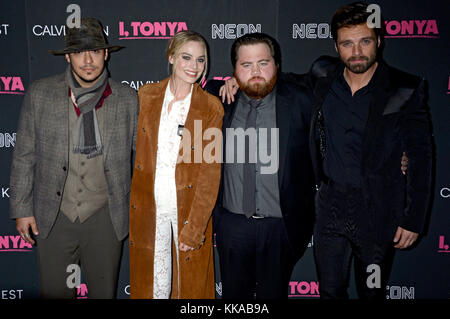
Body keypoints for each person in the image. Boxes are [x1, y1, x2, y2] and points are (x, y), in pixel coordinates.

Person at [308, 2, 433, 299]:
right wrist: (240, 80)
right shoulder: (322, 75)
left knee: (372, 293)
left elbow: (421, 155)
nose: (357, 52)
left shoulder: (404, 88)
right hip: (330, 210)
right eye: (347, 44)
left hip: (377, 212)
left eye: (365, 41)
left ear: (379, 41)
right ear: (337, 47)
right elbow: (284, 84)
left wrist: (413, 218)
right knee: (329, 291)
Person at [9, 18, 139, 298]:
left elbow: (146, 154)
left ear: (106, 53)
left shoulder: (128, 99)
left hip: (106, 217)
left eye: (95, 51)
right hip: (53, 215)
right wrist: (21, 208)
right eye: (79, 52)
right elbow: (24, 154)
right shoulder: (40, 94)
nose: (88, 60)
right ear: (68, 56)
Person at [205, 33, 315, 299]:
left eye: (263, 63)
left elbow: (331, 70)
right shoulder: (217, 100)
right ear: (234, 70)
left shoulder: (301, 101)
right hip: (232, 226)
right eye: (246, 65)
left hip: (280, 228)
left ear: (277, 65)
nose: (255, 72)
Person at [129, 30, 223, 299]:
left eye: (201, 60)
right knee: (152, 287)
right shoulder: (146, 96)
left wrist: (195, 228)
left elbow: (209, 173)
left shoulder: (210, 108)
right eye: (186, 57)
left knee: (190, 290)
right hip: (148, 209)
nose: (194, 67)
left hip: (187, 211)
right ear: (171, 57)